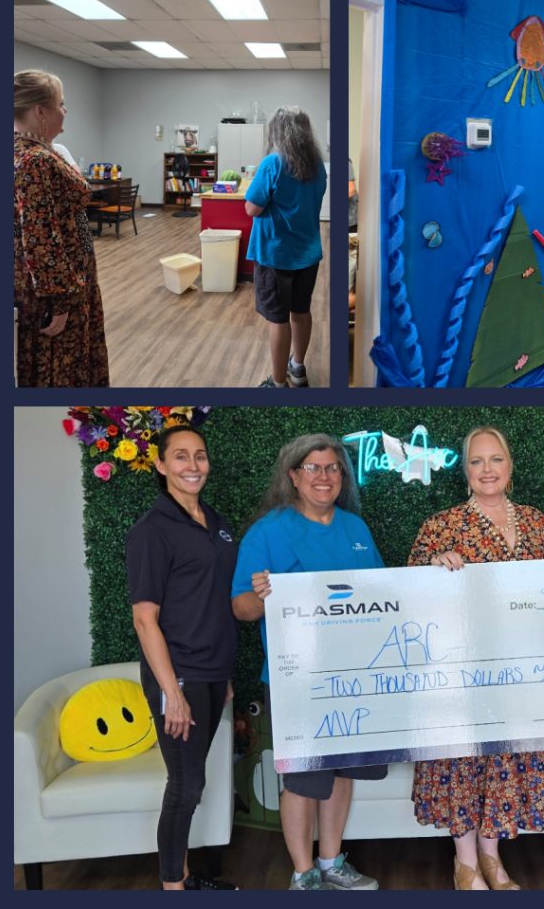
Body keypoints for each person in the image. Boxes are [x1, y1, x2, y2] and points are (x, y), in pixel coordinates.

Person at [231, 434, 385, 891]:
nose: (324, 477)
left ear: (343, 476)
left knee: (340, 772)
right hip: (294, 679)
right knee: (301, 778)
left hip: (352, 677)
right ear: (293, 476)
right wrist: (261, 598)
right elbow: (240, 608)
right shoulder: (268, 531)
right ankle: (303, 874)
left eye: (333, 468)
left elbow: (382, 595)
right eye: (313, 468)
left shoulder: (356, 529)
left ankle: (332, 862)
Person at [408, 426, 544, 890]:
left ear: (510, 467)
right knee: (462, 761)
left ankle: (493, 858)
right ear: (465, 471)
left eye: (496, 460)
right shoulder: (441, 525)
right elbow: (410, 595)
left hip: (521, 669)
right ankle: (466, 862)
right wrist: (435, 568)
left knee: (505, 759)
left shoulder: (537, 522)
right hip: (461, 673)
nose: (487, 470)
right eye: (477, 461)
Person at [126, 425, 239, 890]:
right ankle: (173, 887)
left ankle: (186, 877)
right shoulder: (151, 531)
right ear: (160, 464)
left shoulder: (217, 522)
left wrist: (226, 675)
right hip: (182, 677)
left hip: (214, 674)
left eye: (199, 456)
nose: (192, 466)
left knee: (194, 783)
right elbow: (144, 620)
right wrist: (172, 693)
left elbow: (217, 598)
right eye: (180, 457)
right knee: (186, 788)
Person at [14, 69, 109, 387]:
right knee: (60, 370)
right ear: (40, 111)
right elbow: (40, 236)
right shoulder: (35, 160)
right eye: (60, 104)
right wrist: (60, 302)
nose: (64, 111)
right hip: (55, 291)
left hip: (39, 282)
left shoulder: (22, 151)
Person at [244, 107, 328, 388]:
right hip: (307, 255)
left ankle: (278, 384)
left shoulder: (273, 163)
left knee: (278, 320)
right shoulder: (318, 165)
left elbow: (252, 208)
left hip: (276, 255)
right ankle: (297, 368)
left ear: (277, 132)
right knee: (301, 311)